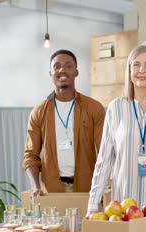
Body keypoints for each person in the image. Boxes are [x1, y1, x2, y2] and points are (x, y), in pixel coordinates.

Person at [86, 46, 146, 232]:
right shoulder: (115, 108)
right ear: (129, 71)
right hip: (124, 209)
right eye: (135, 65)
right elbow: (104, 160)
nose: (141, 70)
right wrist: (93, 204)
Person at [23, 49, 105, 197]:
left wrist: (105, 185)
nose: (62, 70)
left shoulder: (94, 108)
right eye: (57, 66)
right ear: (50, 74)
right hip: (51, 191)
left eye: (68, 66)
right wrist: (35, 187)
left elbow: (105, 152)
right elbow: (31, 156)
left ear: (76, 72)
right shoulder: (39, 112)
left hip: (88, 190)